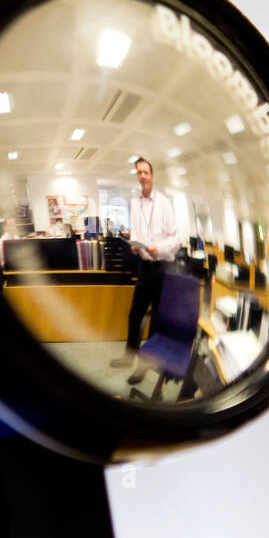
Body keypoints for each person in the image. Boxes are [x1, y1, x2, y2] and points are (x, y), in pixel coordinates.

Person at [110, 157, 179, 384]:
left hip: (161, 269)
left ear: (152, 175)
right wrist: (135, 243)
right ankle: (129, 357)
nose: (142, 176)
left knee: (155, 320)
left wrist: (156, 247)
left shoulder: (165, 203)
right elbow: (137, 232)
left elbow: (175, 240)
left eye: (146, 172)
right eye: (138, 172)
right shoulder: (135, 202)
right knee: (134, 315)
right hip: (144, 267)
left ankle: (143, 367)